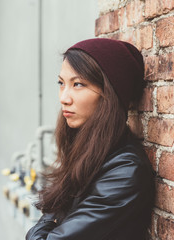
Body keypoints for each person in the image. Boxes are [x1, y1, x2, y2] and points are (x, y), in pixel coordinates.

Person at [26, 38, 155, 240]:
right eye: (61, 83)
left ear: (109, 94)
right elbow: (53, 214)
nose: (64, 97)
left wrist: (45, 225)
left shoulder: (125, 171)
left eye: (78, 84)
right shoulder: (90, 152)